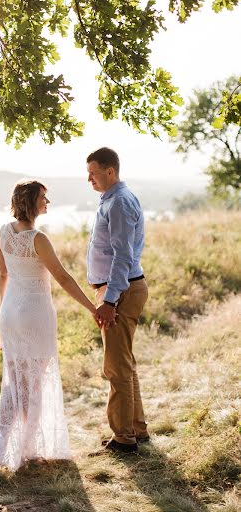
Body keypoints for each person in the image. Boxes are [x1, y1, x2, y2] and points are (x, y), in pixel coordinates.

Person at [0, 180, 101, 473]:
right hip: (35, 315)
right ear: (31, 201)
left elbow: (2, 276)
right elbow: (61, 277)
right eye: (43, 197)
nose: (47, 201)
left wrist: (1, 313)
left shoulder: (2, 233)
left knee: (13, 384)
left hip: (10, 312)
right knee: (34, 384)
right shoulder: (38, 238)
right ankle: (27, 451)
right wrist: (91, 307)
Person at [86, 147, 149, 454]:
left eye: (93, 173)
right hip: (118, 288)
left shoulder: (119, 202)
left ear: (110, 171)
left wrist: (109, 300)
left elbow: (122, 255)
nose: (89, 179)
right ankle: (136, 429)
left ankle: (124, 438)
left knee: (115, 367)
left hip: (120, 291)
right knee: (123, 363)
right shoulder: (112, 200)